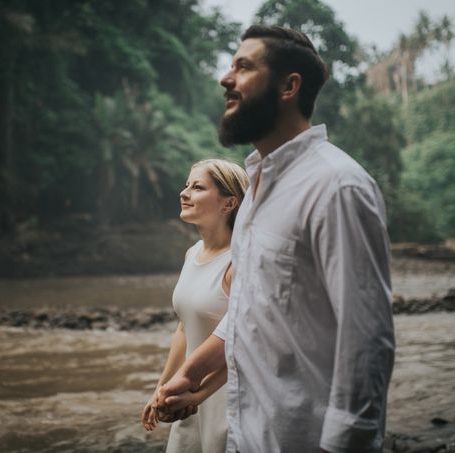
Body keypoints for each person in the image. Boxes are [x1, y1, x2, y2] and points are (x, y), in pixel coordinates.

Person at [156, 25, 396, 453]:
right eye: (230, 66)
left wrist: (346, 444)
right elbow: (248, 309)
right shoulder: (256, 193)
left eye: (244, 67)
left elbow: (366, 337)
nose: (225, 79)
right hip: (247, 433)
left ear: (289, 86)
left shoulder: (336, 187)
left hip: (304, 438)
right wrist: (190, 374)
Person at [142, 159, 249, 453]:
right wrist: (162, 388)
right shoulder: (193, 253)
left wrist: (198, 392)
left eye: (197, 187)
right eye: (187, 185)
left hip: (229, 397)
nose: (184, 193)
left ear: (229, 203)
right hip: (188, 394)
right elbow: (184, 330)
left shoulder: (238, 263)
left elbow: (247, 341)